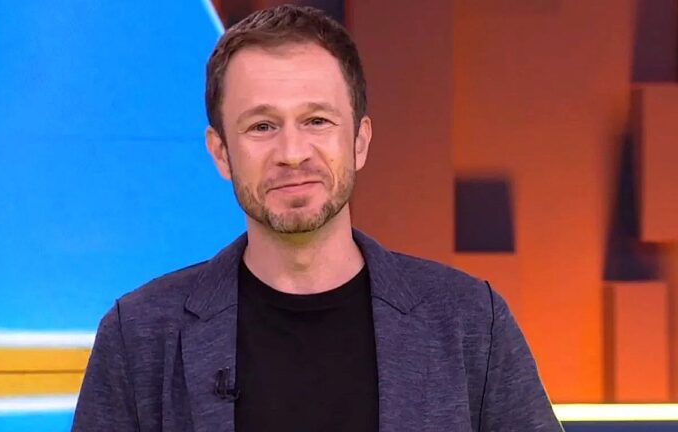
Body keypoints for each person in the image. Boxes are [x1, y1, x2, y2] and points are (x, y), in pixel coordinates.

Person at [72, 5, 563, 431]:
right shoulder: (138, 336)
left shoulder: (470, 322)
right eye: (262, 126)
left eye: (316, 121)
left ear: (360, 141)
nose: (291, 153)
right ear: (220, 153)